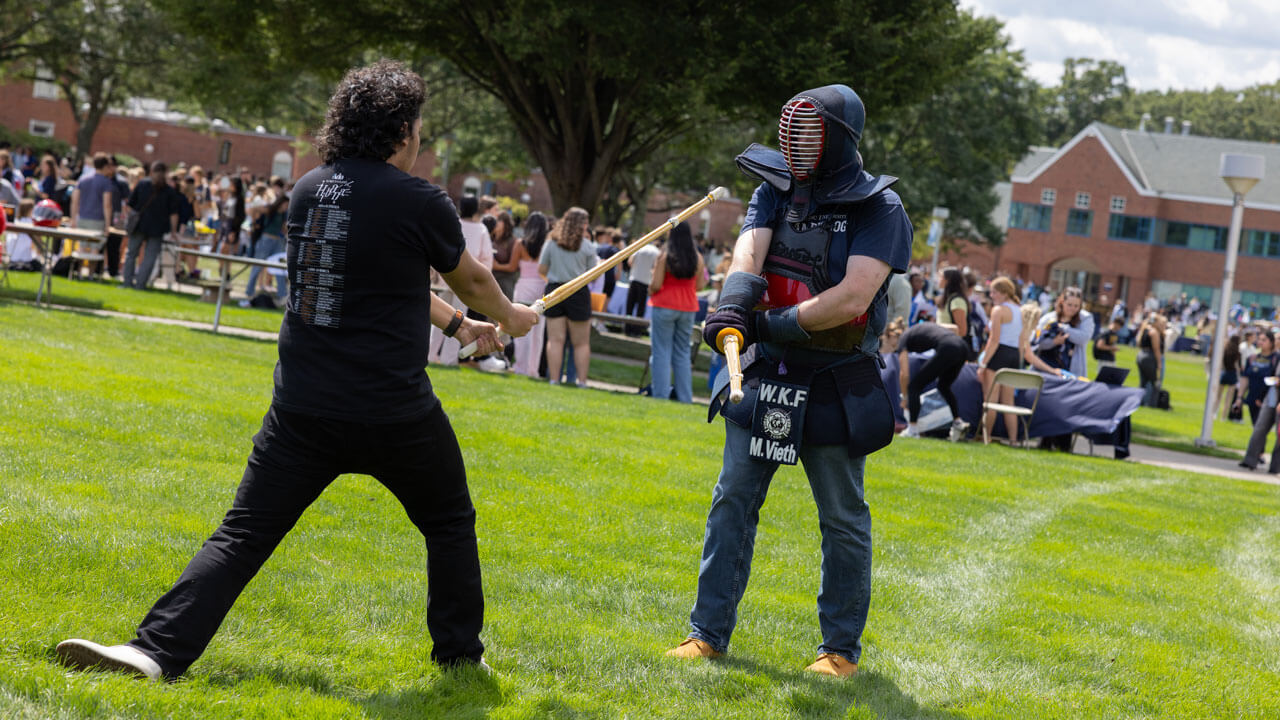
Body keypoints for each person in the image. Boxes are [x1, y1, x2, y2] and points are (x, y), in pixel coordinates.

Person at [54, 60, 539, 681]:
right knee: (448, 522)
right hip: (394, 411)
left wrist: (459, 327)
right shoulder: (420, 200)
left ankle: (152, 652)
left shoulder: (311, 187)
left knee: (242, 535)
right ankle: (459, 657)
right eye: (418, 127)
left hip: (303, 407)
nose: (421, 140)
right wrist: (509, 315)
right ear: (400, 130)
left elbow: (377, 276)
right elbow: (472, 278)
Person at [667, 84, 912, 677]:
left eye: (811, 130)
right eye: (791, 129)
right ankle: (707, 634)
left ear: (840, 137)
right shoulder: (771, 190)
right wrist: (732, 309)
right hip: (767, 373)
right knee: (732, 502)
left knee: (842, 518)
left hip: (834, 379)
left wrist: (767, 322)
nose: (796, 142)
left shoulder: (881, 209)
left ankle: (839, 651)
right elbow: (748, 258)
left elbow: (853, 296)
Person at [429, 195, 494, 367]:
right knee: (459, 320)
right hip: (466, 281)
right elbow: (487, 258)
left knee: (440, 317)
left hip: (446, 276)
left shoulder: (453, 223)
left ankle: (430, 353)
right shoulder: (481, 230)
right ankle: (448, 359)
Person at [647, 222, 706, 403]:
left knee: (661, 351)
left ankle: (661, 395)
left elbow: (656, 285)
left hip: (664, 305)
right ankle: (684, 397)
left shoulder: (665, 256)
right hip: (687, 308)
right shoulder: (697, 257)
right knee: (682, 353)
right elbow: (700, 285)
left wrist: (650, 288)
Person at [540, 207, 596, 385]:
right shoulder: (588, 246)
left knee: (555, 340)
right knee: (581, 343)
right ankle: (582, 382)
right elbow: (594, 273)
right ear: (584, 225)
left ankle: (554, 380)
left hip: (555, 290)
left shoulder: (551, 242)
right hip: (578, 291)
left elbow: (542, 269)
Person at [896, 321, 970, 441]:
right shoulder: (922, 326)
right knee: (943, 386)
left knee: (914, 387)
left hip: (948, 347)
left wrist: (905, 398)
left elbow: (904, 374)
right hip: (963, 347)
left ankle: (913, 430)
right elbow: (954, 328)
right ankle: (957, 422)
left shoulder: (903, 339)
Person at [977, 276, 1023, 444]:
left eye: (994, 293)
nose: (992, 296)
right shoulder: (1019, 310)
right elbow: (1021, 340)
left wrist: (983, 364)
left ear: (1004, 293)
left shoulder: (999, 310)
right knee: (1008, 401)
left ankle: (986, 437)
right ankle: (1013, 440)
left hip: (999, 353)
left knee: (991, 399)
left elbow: (993, 340)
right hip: (1014, 355)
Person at [503, 211, 549, 378]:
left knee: (521, 330)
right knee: (538, 333)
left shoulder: (520, 244)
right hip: (542, 289)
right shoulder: (547, 245)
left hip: (523, 288)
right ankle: (533, 369)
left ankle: (521, 366)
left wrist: (495, 264)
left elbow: (511, 267)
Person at [121, 162, 180, 289]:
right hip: (157, 228)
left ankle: (127, 282)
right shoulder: (169, 191)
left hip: (139, 224)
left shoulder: (143, 184)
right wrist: (173, 231)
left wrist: (130, 219)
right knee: (150, 257)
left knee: (131, 254)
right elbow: (173, 214)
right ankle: (140, 284)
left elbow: (130, 204)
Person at [1239, 330, 1280, 472]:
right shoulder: (1273, 357)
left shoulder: (1276, 357)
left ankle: (1275, 467)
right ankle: (1250, 459)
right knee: (1259, 427)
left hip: (1274, 394)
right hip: (1272, 394)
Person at [1035, 286, 1094, 379]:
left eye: (1076, 306)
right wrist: (1054, 342)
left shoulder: (1085, 318)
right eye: (1069, 305)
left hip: (1070, 370)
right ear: (1062, 302)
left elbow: (1083, 338)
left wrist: (1064, 328)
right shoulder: (1049, 318)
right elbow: (1037, 342)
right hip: (1045, 368)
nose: (1073, 308)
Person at [1237, 330, 1277, 427]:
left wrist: (1263, 396)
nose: (1260, 342)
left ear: (1271, 342)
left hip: (1268, 399)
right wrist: (1239, 397)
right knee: (1256, 426)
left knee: (1260, 429)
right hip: (1252, 397)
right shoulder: (1252, 358)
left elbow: (1276, 379)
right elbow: (1245, 378)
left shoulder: (1276, 359)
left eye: (1264, 340)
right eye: (1259, 339)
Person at [624, 238, 659, 335]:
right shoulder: (656, 252)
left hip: (634, 279)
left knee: (629, 307)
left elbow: (630, 262)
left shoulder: (639, 247)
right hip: (645, 281)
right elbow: (655, 267)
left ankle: (627, 329)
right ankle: (637, 330)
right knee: (641, 308)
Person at [1135, 313, 1166, 408]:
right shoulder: (1154, 332)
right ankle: (1152, 404)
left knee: (1143, 382)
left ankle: (1140, 401)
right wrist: (1159, 363)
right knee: (1155, 382)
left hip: (1141, 355)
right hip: (1150, 357)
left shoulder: (1144, 329)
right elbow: (1156, 349)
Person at [1214, 333, 1242, 421]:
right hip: (1232, 374)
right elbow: (1237, 366)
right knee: (1228, 399)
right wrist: (1239, 378)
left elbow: (1221, 363)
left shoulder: (1225, 350)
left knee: (1218, 396)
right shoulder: (1237, 353)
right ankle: (1223, 416)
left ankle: (1214, 413)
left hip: (1224, 372)